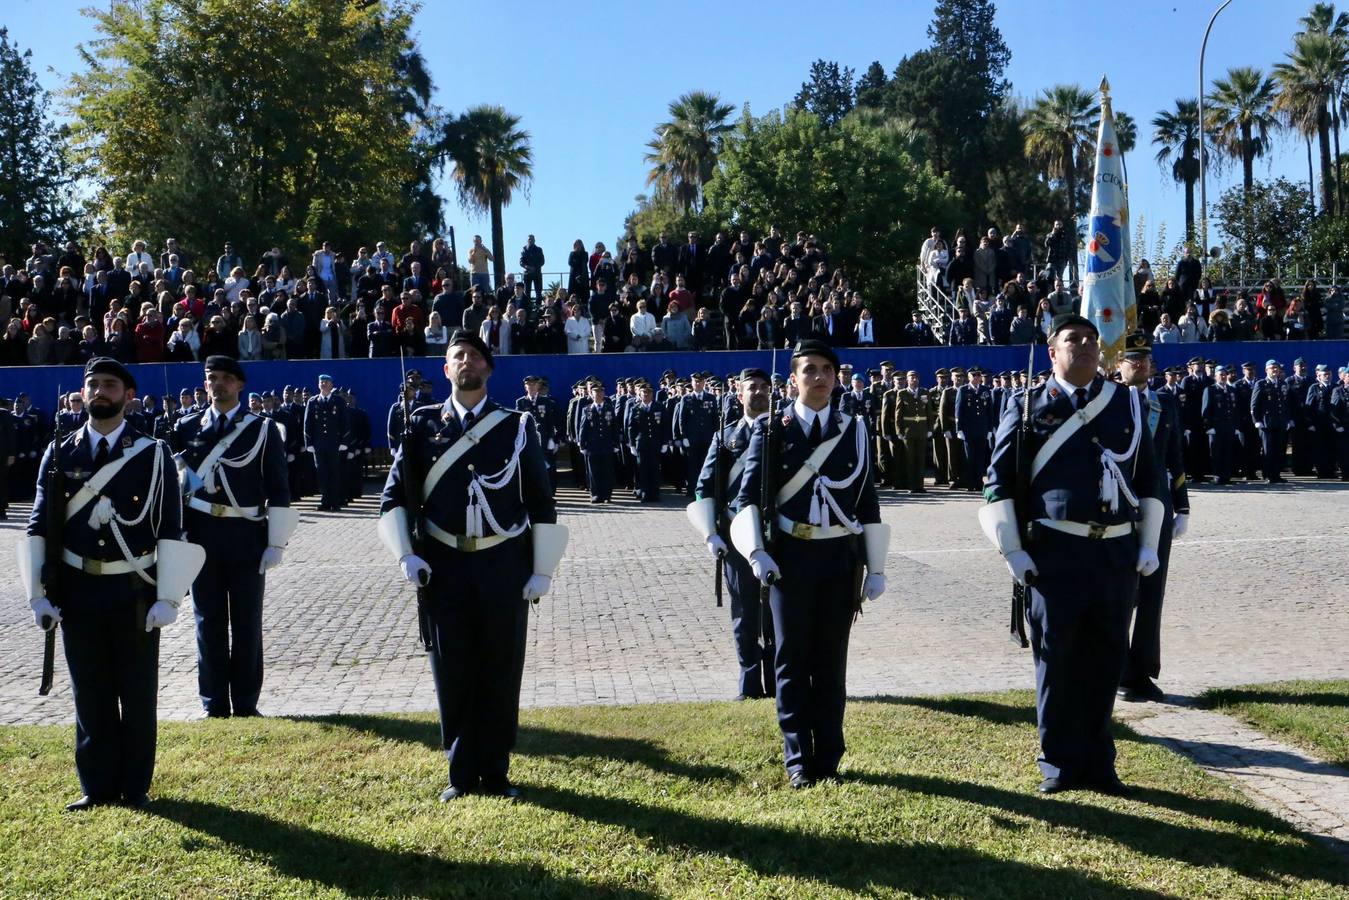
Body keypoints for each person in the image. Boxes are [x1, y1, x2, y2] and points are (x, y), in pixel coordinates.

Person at [978, 314, 1163, 795]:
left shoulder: (1128, 403)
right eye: (1071, 340)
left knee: (1105, 661)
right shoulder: (1025, 405)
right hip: (1054, 553)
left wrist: (1147, 543)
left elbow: (1150, 479)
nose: (1083, 346)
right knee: (1055, 662)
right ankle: (1058, 764)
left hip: (1114, 553)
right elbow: (997, 484)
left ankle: (1099, 764)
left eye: (1090, 340)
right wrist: (1012, 551)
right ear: (1052, 351)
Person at [377, 330, 565, 802]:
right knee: (452, 667)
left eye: (475, 356)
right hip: (444, 565)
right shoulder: (419, 426)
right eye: (458, 356)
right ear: (446, 369)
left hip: (504, 562)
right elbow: (394, 498)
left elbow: (541, 501)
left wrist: (542, 568)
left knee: (502, 666)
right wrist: (406, 553)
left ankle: (497, 771)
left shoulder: (516, 425)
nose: (467, 362)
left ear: (488, 369)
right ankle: (460, 773)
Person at [19, 358, 204, 810]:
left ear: (128, 396)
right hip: (78, 591)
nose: (99, 392)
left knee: (137, 692)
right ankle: (97, 787)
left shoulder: (153, 452)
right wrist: (37, 594)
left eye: (110, 385)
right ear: (81, 394)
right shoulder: (60, 452)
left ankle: (136, 786)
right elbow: (39, 525)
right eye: (93, 385)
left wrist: (169, 596)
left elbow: (170, 528)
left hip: (133, 591)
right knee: (90, 691)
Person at [730, 339, 888, 788]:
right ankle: (798, 758)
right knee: (792, 660)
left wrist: (876, 567)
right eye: (809, 370)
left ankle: (829, 757)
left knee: (831, 660)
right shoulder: (771, 430)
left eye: (826, 370)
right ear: (793, 380)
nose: (819, 378)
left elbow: (867, 501)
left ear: (837, 378)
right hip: (790, 559)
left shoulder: (855, 429)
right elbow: (745, 500)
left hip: (840, 559)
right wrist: (755, 551)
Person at [172, 356, 297, 719]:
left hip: (246, 535)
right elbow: (176, 489)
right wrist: (176, 537)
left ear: (240, 385)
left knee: (246, 621)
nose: (219, 384)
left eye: (226, 378)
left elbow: (279, 488)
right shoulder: (185, 426)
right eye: (212, 378)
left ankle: (245, 702)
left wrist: (276, 542)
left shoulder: (261, 430)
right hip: (201, 535)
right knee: (206, 620)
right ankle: (213, 703)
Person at [690, 367, 775, 700]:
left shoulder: (783, 432)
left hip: (775, 537)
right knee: (745, 612)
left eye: (764, 387)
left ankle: (778, 681)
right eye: (751, 387)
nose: (759, 392)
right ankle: (750, 683)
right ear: (739, 395)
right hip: (737, 538)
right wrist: (710, 532)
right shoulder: (725, 437)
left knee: (776, 613)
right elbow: (704, 487)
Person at [1114, 333, 1190, 705]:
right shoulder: (1106, 401)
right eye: (1131, 359)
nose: (1139, 364)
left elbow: (1174, 456)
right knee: (1117, 592)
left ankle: (1141, 672)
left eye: (1145, 359)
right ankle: (1113, 667)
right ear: (1118, 365)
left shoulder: (1165, 402)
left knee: (1152, 593)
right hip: (1115, 506)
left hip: (1156, 506)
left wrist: (1183, 506)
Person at [303, 374, 351, 510]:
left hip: (334, 444)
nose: (323, 384)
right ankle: (325, 501)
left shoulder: (339, 401)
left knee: (334, 473)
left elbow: (345, 423)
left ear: (331, 385)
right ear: (318, 385)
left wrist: (344, 442)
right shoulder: (312, 401)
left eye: (326, 382)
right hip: (318, 445)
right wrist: (309, 443)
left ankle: (335, 502)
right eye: (321, 382)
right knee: (321, 473)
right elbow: (307, 424)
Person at [577, 380, 618, 503]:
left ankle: (607, 495)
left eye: (601, 392)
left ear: (604, 393)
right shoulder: (587, 409)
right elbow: (583, 427)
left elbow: (614, 427)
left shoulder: (609, 408)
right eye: (596, 392)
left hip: (606, 445)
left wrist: (615, 443)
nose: (599, 394)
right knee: (594, 472)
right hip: (592, 446)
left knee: (607, 471)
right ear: (591, 394)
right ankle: (595, 494)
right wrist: (582, 443)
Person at [1251, 360, 1290, 484]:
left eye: (1276, 368)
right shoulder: (1261, 384)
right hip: (1266, 423)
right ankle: (1268, 474)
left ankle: (1276, 474)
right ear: (1266, 370)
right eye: (1272, 368)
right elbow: (1254, 404)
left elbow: (1286, 404)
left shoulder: (1283, 384)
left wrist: (1287, 419)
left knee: (1279, 449)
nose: (1275, 370)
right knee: (1268, 450)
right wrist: (1256, 420)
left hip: (1280, 422)